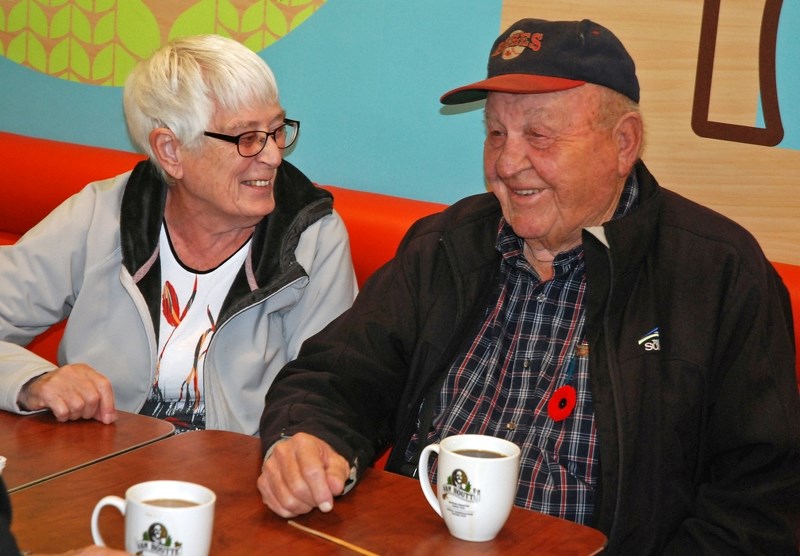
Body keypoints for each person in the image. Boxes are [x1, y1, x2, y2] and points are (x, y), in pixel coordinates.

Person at [256, 18, 800, 552]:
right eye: (496, 133)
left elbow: (762, 500)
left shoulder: (717, 274)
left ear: (623, 144)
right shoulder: (447, 245)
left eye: (538, 135)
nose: (508, 162)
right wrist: (306, 439)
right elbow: (335, 378)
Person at [0, 35, 357, 435]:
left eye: (275, 130)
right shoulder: (103, 215)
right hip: (101, 460)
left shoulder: (312, 238)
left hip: (235, 474)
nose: (273, 156)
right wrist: (33, 381)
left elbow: (329, 391)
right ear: (170, 151)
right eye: (247, 138)